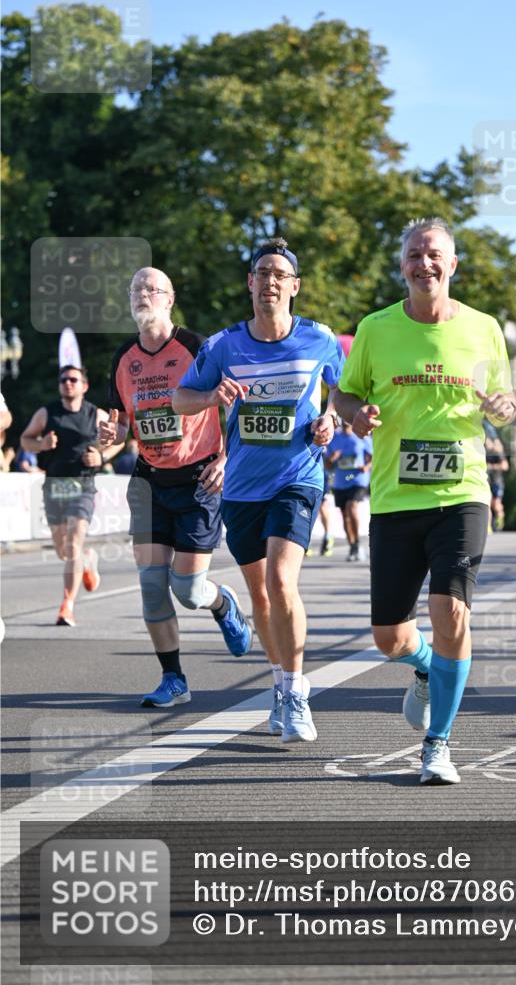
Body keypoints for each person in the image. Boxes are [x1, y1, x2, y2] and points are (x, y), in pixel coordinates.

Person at [335, 217, 516, 786]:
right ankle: (424, 669)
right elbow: (344, 393)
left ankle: (437, 745)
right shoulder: (375, 328)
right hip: (395, 498)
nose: (424, 263)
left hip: (463, 493)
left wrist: (503, 409)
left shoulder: (484, 328)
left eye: (434, 254)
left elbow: (505, 400)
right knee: (389, 637)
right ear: (402, 266)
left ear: (452, 264)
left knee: (450, 611)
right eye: (414, 254)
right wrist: (355, 414)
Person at [173, 238, 344, 743]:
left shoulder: (319, 338)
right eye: (262, 273)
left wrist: (331, 419)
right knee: (262, 597)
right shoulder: (223, 346)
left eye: (279, 274)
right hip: (243, 487)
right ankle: (279, 684)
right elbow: (180, 399)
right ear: (250, 283)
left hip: (298, 477)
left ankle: (295, 693)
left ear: (295, 286)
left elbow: (343, 390)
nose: (270, 281)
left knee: (281, 582)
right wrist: (211, 394)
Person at [97, 267, 252, 708]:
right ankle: (174, 679)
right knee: (151, 585)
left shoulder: (198, 347)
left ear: (169, 299)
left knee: (187, 591)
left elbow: (238, 405)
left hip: (199, 479)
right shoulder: (123, 357)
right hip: (149, 481)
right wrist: (111, 434)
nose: (142, 295)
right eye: (135, 289)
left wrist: (227, 460)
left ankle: (222, 603)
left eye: (152, 289)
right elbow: (124, 424)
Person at [20, 366, 120, 625]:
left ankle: (68, 606)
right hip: (54, 486)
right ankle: (87, 559)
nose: (68, 383)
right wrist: (40, 445)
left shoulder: (95, 414)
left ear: (84, 386)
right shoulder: (46, 413)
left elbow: (118, 440)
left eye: (73, 379)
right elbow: (25, 440)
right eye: (63, 379)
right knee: (63, 550)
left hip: (83, 485)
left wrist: (101, 457)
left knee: (74, 541)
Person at [327, 422, 372, 560]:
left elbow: (372, 457)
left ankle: (357, 542)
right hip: (341, 482)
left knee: (351, 507)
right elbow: (327, 466)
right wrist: (332, 458)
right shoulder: (334, 438)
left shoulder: (362, 436)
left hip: (358, 479)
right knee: (344, 514)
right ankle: (352, 545)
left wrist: (367, 466)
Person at [484, 425, 508, 532]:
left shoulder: (497, 451)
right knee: (487, 502)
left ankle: (500, 517)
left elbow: (505, 466)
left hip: (497, 481)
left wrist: (491, 467)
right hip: (486, 481)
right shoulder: (481, 451)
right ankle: (488, 526)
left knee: (496, 504)